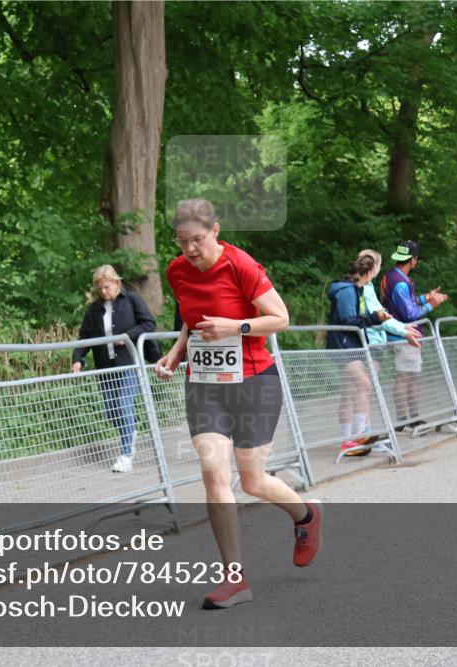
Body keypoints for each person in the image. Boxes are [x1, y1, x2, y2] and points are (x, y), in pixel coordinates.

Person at [154, 198, 319, 610]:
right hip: (205, 384)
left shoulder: (239, 264)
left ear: (216, 231)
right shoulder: (177, 271)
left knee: (252, 481)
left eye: (197, 240)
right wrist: (178, 351)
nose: (190, 250)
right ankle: (234, 578)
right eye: (182, 241)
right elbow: (193, 317)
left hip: (254, 382)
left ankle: (305, 516)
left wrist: (237, 326)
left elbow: (280, 318)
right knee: (213, 473)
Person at [327, 251, 420, 456]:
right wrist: (375, 318)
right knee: (359, 385)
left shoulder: (359, 289)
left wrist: (382, 321)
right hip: (343, 345)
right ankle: (354, 437)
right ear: (371, 269)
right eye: (378, 268)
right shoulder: (347, 291)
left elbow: (364, 317)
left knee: (356, 388)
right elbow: (348, 320)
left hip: (357, 344)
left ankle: (359, 436)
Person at [71, 265, 156, 473]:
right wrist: (78, 359)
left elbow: (148, 324)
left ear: (117, 283)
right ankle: (130, 433)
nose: (103, 292)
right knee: (112, 411)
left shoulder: (132, 299)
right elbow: (85, 337)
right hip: (106, 368)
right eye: (99, 289)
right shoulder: (94, 309)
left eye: (107, 287)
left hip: (129, 364)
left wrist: (128, 336)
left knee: (124, 406)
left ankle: (126, 454)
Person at [380, 240, 447, 433]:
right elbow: (410, 314)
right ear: (414, 260)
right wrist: (433, 304)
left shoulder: (391, 276)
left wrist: (426, 297)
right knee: (406, 377)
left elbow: (405, 303)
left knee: (411, 376)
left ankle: (410, 419)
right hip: (405, 335)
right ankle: (406, 421)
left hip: (399, 334)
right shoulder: (400, 282)